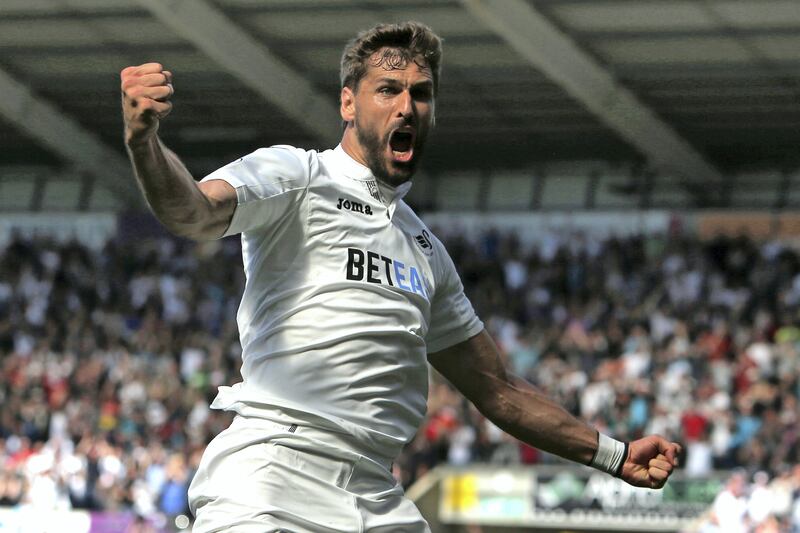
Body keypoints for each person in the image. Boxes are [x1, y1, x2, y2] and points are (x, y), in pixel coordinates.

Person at [120, 21, 681, 532]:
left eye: (421, 93)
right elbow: (191, 210)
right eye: (388, 90)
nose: (406, 106)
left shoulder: (426, 251)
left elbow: (498, 389)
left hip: (377, 491)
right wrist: (144, 142)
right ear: (348, 102)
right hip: (273, 474)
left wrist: (612, 453)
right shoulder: (298, 175)